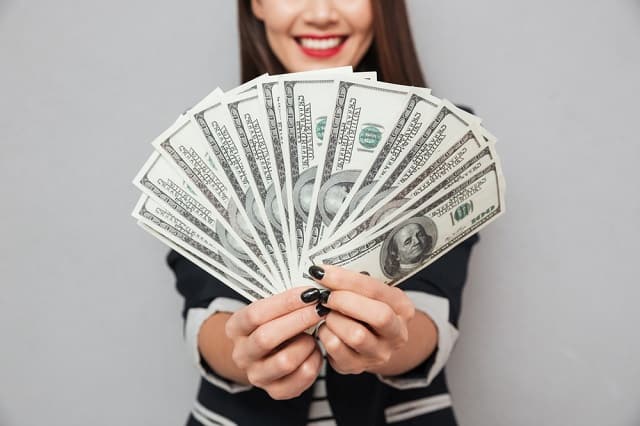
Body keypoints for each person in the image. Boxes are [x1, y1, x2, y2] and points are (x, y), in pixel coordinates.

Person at [168, 1, 479, 424]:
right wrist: (248, 355)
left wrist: (387, 340)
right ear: (256, 4)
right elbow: (206, 310)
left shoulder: (443, 137)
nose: (320, 13)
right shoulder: (206, 140)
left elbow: (433, 313)